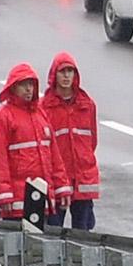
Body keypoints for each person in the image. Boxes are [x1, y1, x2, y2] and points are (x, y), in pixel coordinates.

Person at [0, 61, 58, 229]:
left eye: (31, 84)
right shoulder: (1, 118)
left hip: (39, 195)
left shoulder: (40, 114)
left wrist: (59, 187)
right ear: (13, 87)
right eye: (23, 84)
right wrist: (4, 194)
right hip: (16, 201)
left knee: (37, 247)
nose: (28, 89)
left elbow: (53, 155)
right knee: (17, 248)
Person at [39, 53, 99, 232]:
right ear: (54, 75)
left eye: (70, 71)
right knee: (53, 230)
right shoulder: (44, 107)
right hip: (57, 180)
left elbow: (92, 141)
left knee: (83, 233)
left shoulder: (87, 105)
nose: (66, 76)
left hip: (83, 179)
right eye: (62, 72)